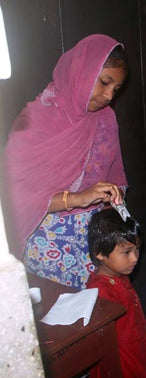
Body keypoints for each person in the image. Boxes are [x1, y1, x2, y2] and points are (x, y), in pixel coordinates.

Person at [3, 34, 128, 289]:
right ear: (81, 72)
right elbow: (12, 196)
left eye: (116, 89)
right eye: (104, 82)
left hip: (98, 243)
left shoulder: (106, 119)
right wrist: (77, 199)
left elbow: (116, 177)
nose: (108, 96)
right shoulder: (34, 122)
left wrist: (113, 201)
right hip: (49, 246)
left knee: (105, 317)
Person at [87, 208, 146, 378]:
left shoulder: (119, 276)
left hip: (138, 352)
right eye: (126, 252)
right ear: (100, 253)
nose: (135, 258)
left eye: (137, 249)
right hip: (124, 366)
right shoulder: (100, 292)